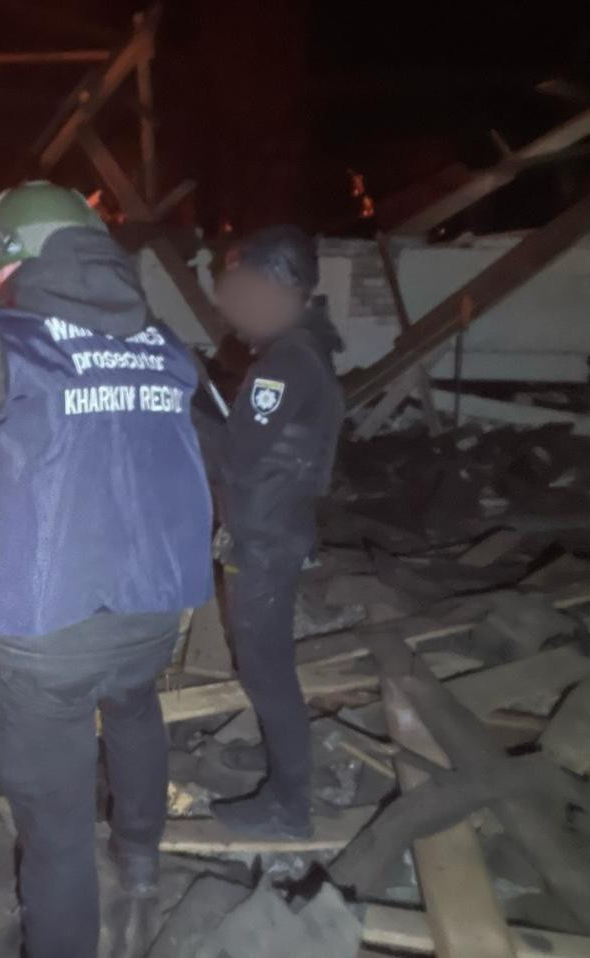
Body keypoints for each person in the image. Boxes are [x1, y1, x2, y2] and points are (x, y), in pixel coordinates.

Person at [0, 181, 214, 958]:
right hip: (153, 609)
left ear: (3, 258)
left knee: (56, 839)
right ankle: (142, 862)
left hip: (44, 628)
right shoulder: (162, 344)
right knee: (133, 706)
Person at [196, 225, 345, 839]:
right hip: (274, 527)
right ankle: (284, 776)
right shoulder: (301, 350)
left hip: (264, 538)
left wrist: (182, 403)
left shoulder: (286, 363)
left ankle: (289, 805)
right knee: (266, 664)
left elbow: (234, 455)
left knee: (265, 670)